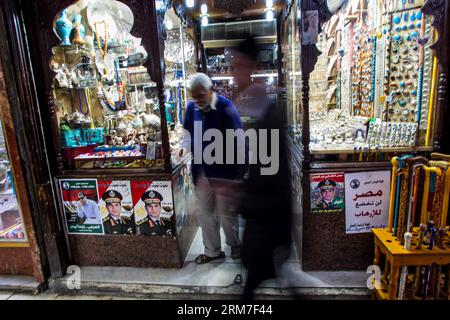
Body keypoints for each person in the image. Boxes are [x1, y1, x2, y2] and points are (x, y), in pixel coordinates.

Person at [232, 36, 293, 300]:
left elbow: (269, 172)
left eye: (236, 66)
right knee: (263, 275)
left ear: (248, 65)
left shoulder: (262, 104)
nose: (233, 73)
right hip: (267, 215)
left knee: (258, 275)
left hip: (268, 216)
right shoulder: (258, 104)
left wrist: (242, 190)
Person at [181, 72, 245, 264]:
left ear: (211, 91)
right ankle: (213, 251)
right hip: (201, 172)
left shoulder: (226, 108)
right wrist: (183, 149)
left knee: (226, 215)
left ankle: (234, 245)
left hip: (225, 173)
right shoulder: (192, 108)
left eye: (200, 95)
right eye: (193, 96)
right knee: (205, 214)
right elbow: (187, 134)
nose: (197, 100)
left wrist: (238, 175)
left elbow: (240, 142)